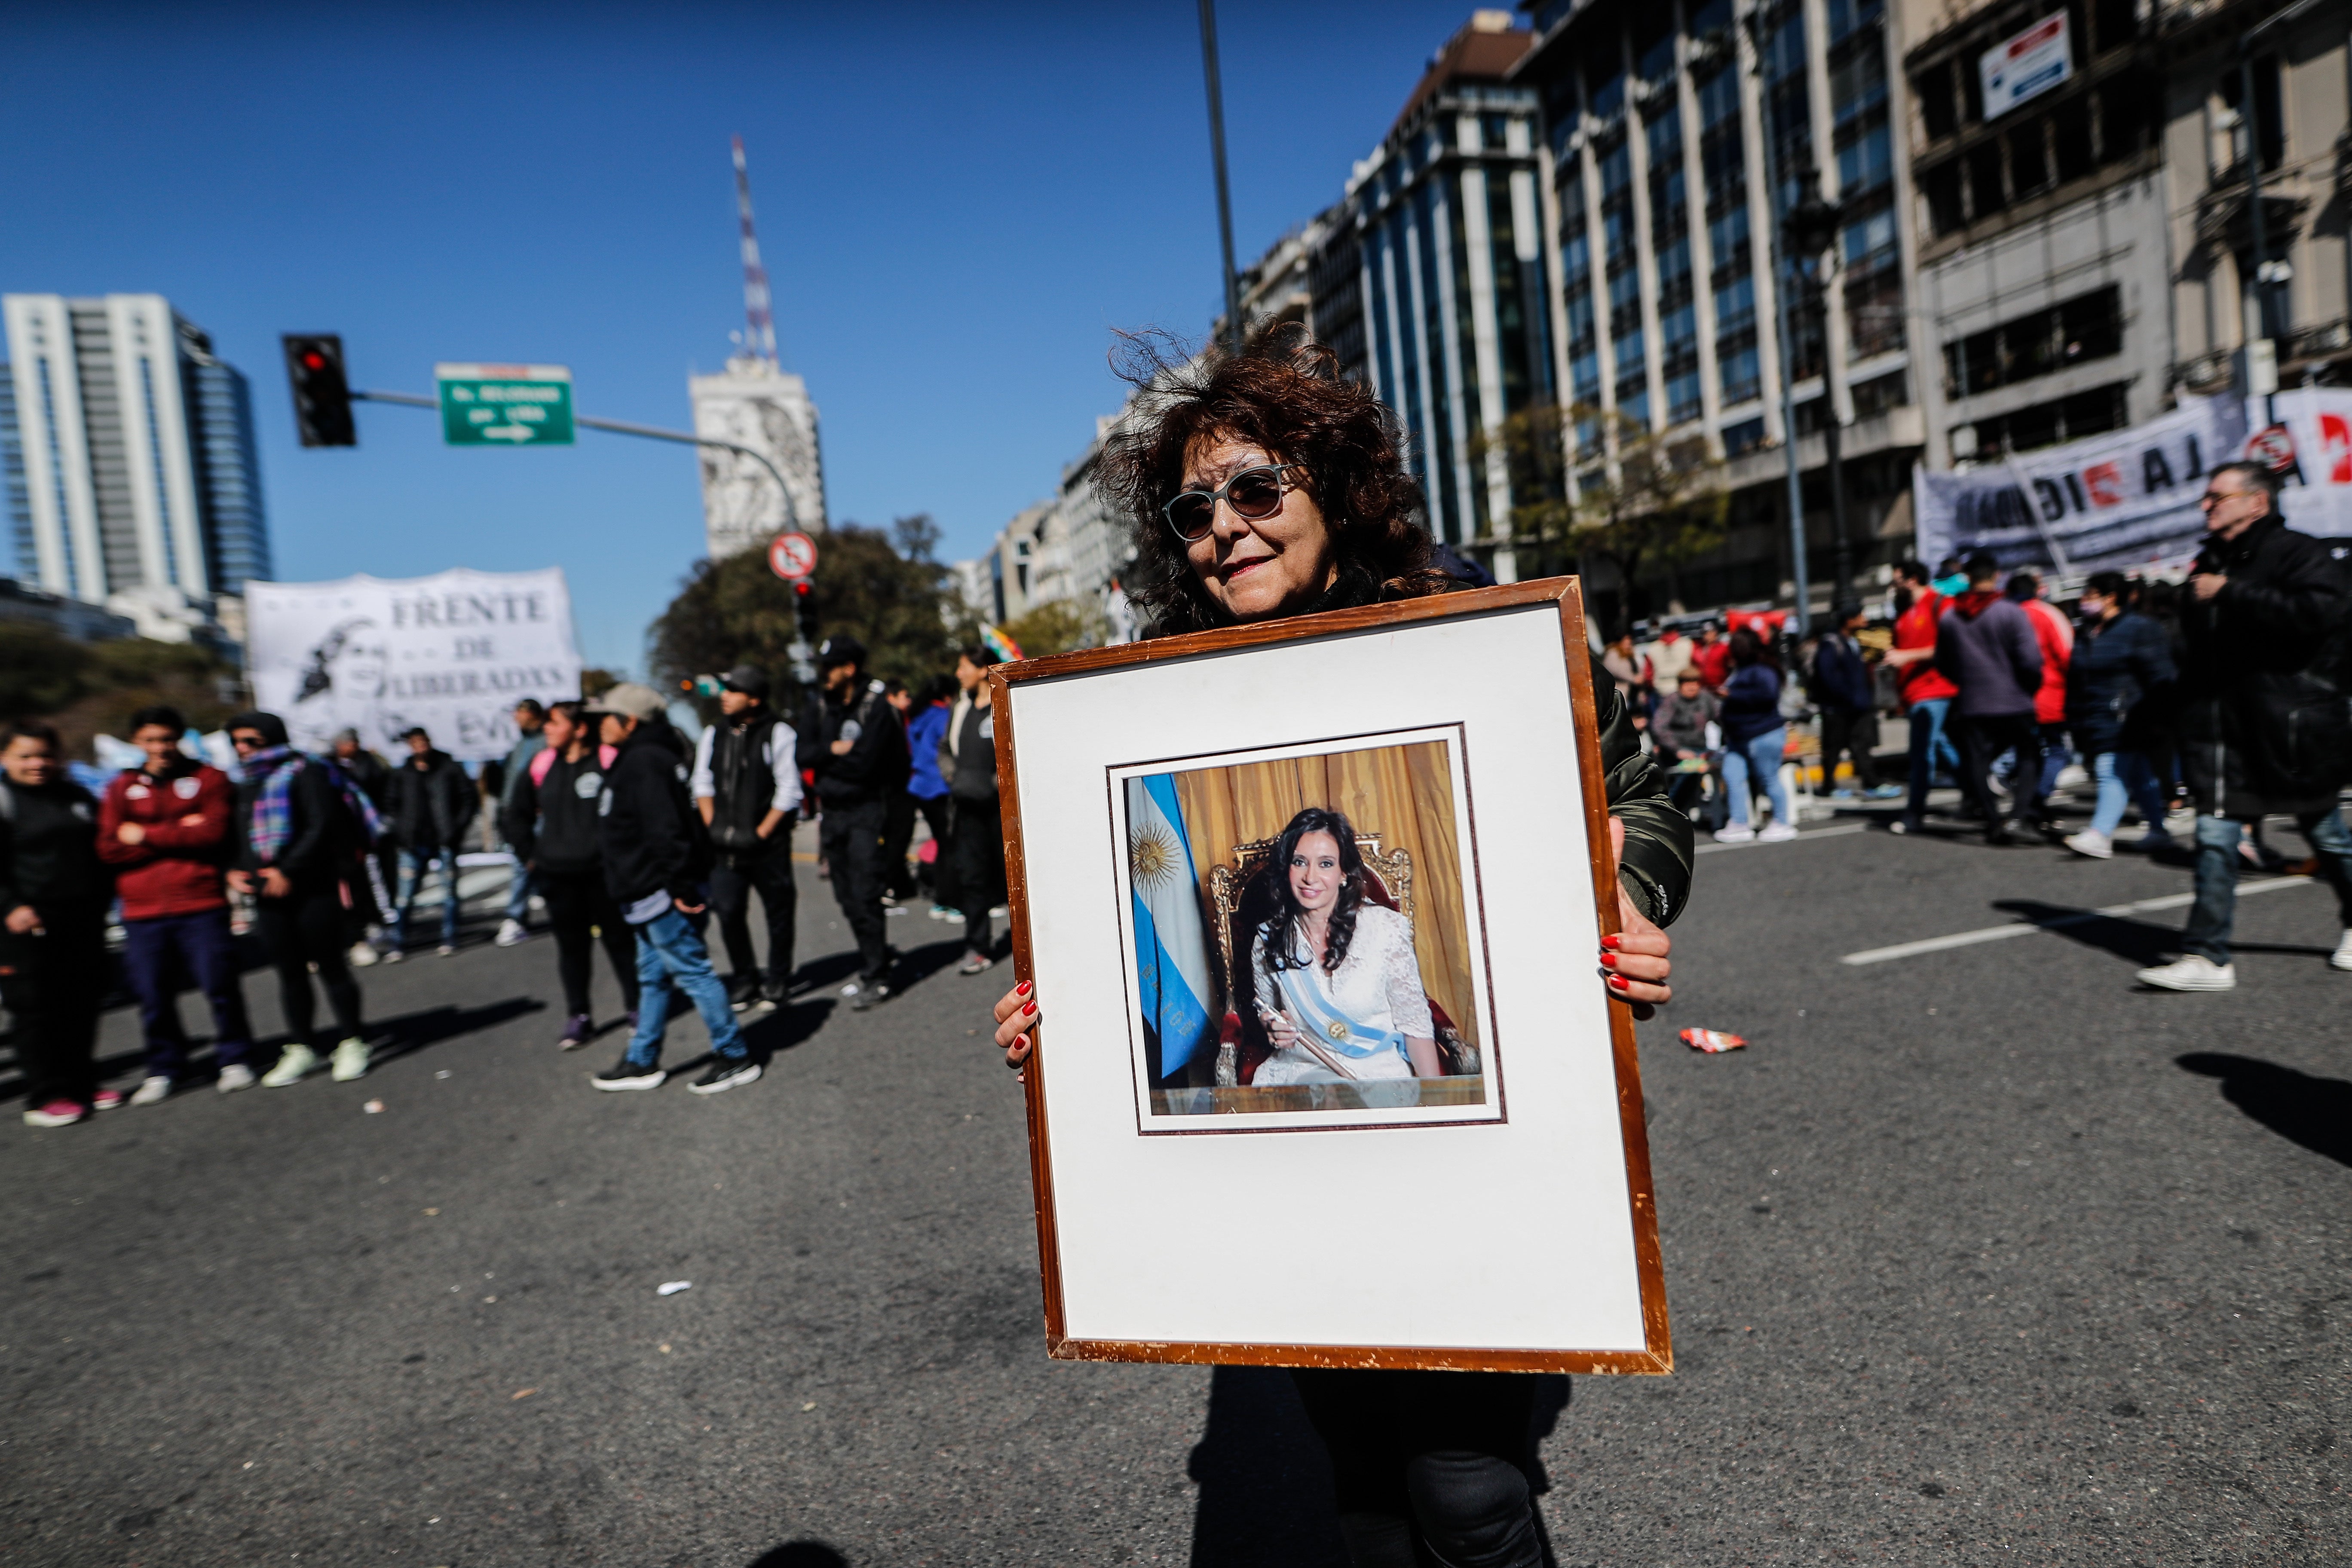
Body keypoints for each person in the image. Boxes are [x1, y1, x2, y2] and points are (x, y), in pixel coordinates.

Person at [989, 322, 1687, 1568]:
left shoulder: (1480, 621)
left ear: (1336, 489)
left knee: (1467, 1486)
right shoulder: (1157, 685)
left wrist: (1625, 892)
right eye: (1192, 509)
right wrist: (1067, 1023)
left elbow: (1640, 793)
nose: (1226, 529)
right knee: (1360, 1486)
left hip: (1463, 1161)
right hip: (1293, 1187)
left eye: (1257, 490)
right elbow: (1124, 940)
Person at [2135, 462, 2352, 990]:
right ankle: (2208, 956)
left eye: (2217, 497)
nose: (2206, 506)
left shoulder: (2300, 552)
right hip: (2218, 727)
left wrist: (2230, 592)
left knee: (2324, 832)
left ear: (2256, 501)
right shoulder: (2209, 560)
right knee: (2213, 834)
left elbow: (2322, 615)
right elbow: (2195, 640)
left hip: (2287, 725)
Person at [585, 682, 759, 1092]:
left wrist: (681, 886)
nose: (600, 725)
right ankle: (642, 1059)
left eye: (605, 717)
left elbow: (667, 831)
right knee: (653, 977)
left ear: (630, 721)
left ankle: (735, 1054)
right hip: (649, 888)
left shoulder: (644, 761)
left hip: (659, 890)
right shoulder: (645, 756)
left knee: (693, 971)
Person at [96, 704, 257, 1101]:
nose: (160, 747)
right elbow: (108, 848)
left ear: (180, 739)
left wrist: (143, 835)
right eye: (151, 740)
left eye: (168, 739)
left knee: (220, 985)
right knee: (152, 994)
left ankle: (235, 1057)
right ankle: (166, 1066)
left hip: (201, 902)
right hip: (141, 910)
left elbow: (214, 836)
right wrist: (181, 831)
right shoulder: (121, 787)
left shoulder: (210, 779)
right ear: (137, 742)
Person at [224, 712, 369, 1086]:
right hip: (268, 895)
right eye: (237, 742)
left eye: (251, 741)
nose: (242, 749)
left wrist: (289, 870)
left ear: (272, 739)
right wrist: (236, 870)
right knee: (289, 973)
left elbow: (322, 825)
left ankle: (353, 1040)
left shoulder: (306, 772)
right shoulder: (245, 782)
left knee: (330, 966)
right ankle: (302, 1045)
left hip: (312, 888)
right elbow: (239, 835)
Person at [1247, 807, 1441, 1087]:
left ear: (1344, 873)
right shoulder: (1268, 938)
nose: (1310, 877)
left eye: (1325, 864)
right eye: (1299, 862)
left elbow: (1415, 1024)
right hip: (1304, 1072)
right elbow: (1267, 1011)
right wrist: (1272, 1025)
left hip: (1377, 1073)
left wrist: (1435, 1104)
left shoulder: (1385, 929)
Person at [0, 721, 121, 1126]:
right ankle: (45, 1095)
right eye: (26, 756)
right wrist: (10, 906)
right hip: (24, 922)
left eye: (46, 756)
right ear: (5, 758)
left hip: (82, 917)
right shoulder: (4, 800)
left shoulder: (76, 796)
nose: (38, 764)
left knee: (81, 1003)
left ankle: (82, 1082)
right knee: (36, 1009)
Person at [507, 699, 640, 1050]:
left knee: (621, 943)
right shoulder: (542, 765)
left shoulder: (609, 760)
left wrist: (625, 859)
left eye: (554, 723)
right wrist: (532, 858)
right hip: (558, 876)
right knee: (572, 950)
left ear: (579, 729)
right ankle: (579, 1016)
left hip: (605, 875)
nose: (547, 729)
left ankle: (637, 1008)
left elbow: (636, 810)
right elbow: (514, 815)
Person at [800, 635, 908, 1010]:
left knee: (865, 894)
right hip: (832, 815)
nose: (822, 675)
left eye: (829, 667)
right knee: (845, 898)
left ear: (848, 668)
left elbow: (867, 764)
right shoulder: (819, 706)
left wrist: (828, 760)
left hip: (867, 811)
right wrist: (832, 750)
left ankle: (878, 976)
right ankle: (870, 963)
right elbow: (804, 754)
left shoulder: (875, 706)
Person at [689, 664, 802, 1010]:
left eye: (733, 691)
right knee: (728, 910)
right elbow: (702, 782)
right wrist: (713, 826)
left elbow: (790, 789)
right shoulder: (714, 734)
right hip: (724, 846)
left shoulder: (778, 733)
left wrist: (763, 831)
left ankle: (778, 979)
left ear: (754, 699)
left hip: (767, 845)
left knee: (779, 911)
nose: (725, 697)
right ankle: (745, 979)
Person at [2061, 572, 2177, 860]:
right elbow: (2077, 677)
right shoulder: (2087, 631)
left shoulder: (2139, 628)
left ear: (2110, 597)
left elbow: (2160, 675)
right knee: (2139, 775)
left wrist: (2159, 714)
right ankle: (2158, 831)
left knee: (2109, 771)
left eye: (2089, 594)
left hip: (2129, 716)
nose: (2083, 601)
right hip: (2095, 714)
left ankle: (2100, 833)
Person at [1933, 551, 2043, 845]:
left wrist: (1965, 681)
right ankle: (2019, 816)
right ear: (1995, 575)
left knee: (1978, 762)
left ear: (1967, 578)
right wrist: (2029, 685)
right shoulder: (2009, 612)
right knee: (2030, 755)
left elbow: (1942, 661)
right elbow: (2031, 660)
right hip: (2014, 699)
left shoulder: (1950, 618)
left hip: (1972, 701)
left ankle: (1993, 820)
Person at [940, 646, 1007, 977]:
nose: (958, 673)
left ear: (983, 670)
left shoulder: (1002, 702)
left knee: (1012, 878)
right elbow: (944, 749)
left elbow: (1014, 748)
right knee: (972, 878)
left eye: (963, 666)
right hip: (965, 810)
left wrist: (997, 783)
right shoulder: (960, 706)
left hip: (1000, 810)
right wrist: (953, 775)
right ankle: (978, 946)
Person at [1883, 560, 1963, 835]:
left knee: (1922, 753)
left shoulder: (1940, 604)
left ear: (1913, 579)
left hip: (1935, 690)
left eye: (1897, 580)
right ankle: (1977, 790)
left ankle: (1914, 813)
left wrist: (1907, 656)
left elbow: (1951, 645)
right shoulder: (1905, 612)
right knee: (1940, 747)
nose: (1894, 587)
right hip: (1914, 694)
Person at [383, 726, 474, 959]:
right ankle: (398, 941)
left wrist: (456, 828)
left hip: (444, 839)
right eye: (415, 743)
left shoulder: (449, 768)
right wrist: (401, 832)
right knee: (404, 897)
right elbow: (390, 805)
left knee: (449, 894)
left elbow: (468, 799)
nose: (420, 747)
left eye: (423, 742)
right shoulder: (403, 773)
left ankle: (450, 937)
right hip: (413, 842)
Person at [1713, 628, 1797, 843]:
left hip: (1763, 733)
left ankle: (1782, 821)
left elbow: (1768, 695)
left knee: (1769, 779)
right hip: (1738, 737)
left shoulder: (1762, 670)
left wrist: (1732, 694)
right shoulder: (1742, 670)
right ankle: (1739, 822)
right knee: (1733, 777)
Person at [1812, 601, 1894, 800]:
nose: (1864, 620)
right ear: (1849, 620)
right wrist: (1847, 696)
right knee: (1834, 748)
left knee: (1861, 746)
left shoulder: (1854, 641)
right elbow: (1827, 676)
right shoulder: (1832, 643)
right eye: (1860, 616)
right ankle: (1829, 786)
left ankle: (1871, 782)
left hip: (1857, 706)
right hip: (1839, 708)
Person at [2007, 570, 2075, 812]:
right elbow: (2067, 655)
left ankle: (2022, 797)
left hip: (2013, 698)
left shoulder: (2005, 615)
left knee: (2028, 752)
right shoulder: (2048, 614)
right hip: (2050, 696)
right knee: (2058, 751)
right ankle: (2036, 799)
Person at [331, 727, 395, 966]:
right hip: (342, 844)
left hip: (363, 838)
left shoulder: (372, 764)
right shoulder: (332, 771)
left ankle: (374, 927)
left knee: (368, 886)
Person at [903, 675, 960, 919]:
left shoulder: (918, 717)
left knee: (940, 842)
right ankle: (951, 900)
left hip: (920, 786)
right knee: (951, 846)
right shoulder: (945, 717)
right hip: (940, 787)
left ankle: (941, 900)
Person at [494, 698, 548, 947]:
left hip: (539, 813)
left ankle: (516, 916)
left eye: (520, 712)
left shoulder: (546, 741)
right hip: (517, 814)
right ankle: (516, 917)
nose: (515, 717)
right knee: (522, 863)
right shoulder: (519, 745)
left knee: (532, 864)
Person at [1650, 668, 1721, 824]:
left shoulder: (1706, 698)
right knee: (1683, 780)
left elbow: (1721, 718)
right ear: (1680, 685)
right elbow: (1659, 727)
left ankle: (1711, 814)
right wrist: (1677, 750)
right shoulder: (1671, 701)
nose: (1692, 687)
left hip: (1701, 751)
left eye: (1696, 683)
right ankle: (1672, 816)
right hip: (1675, 753)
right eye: (1688, 683)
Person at [1601, 629, 1653, 712]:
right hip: (1623, 690)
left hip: (1636, 693)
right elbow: (1614, 669)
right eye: (1626, 642)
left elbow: (1639, 667)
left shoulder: (1632, 654)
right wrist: (1633, 679)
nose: (1628, 644)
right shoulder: (1613, 653)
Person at [1689, 619, 1732, 692]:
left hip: (1720, 686)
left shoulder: (1723, 648)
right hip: (1702, 688)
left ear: (1716, 633)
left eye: (1711, 633)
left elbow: (1732, 665)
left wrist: (1727, 683)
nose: (1707, 636)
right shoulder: (1697, 648)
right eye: (1705, 633)